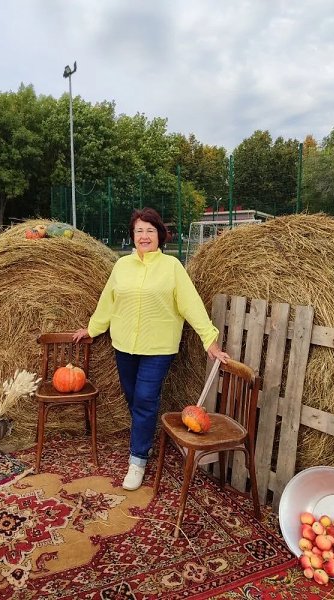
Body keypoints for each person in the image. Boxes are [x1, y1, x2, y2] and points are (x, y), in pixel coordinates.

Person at [73, 207, 229, 491]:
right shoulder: (121, 266)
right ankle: (145, 437)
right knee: (134, 399)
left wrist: (210, 340)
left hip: (158, 347)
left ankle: (138, 459)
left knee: (145, 398)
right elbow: (108, 302)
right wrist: (92, 329)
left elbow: (191, 305)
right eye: (139, 231)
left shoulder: (172, 267)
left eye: (150, 230)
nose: (144, 236)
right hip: (124, 345)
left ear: (160, 235)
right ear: (132, 235)